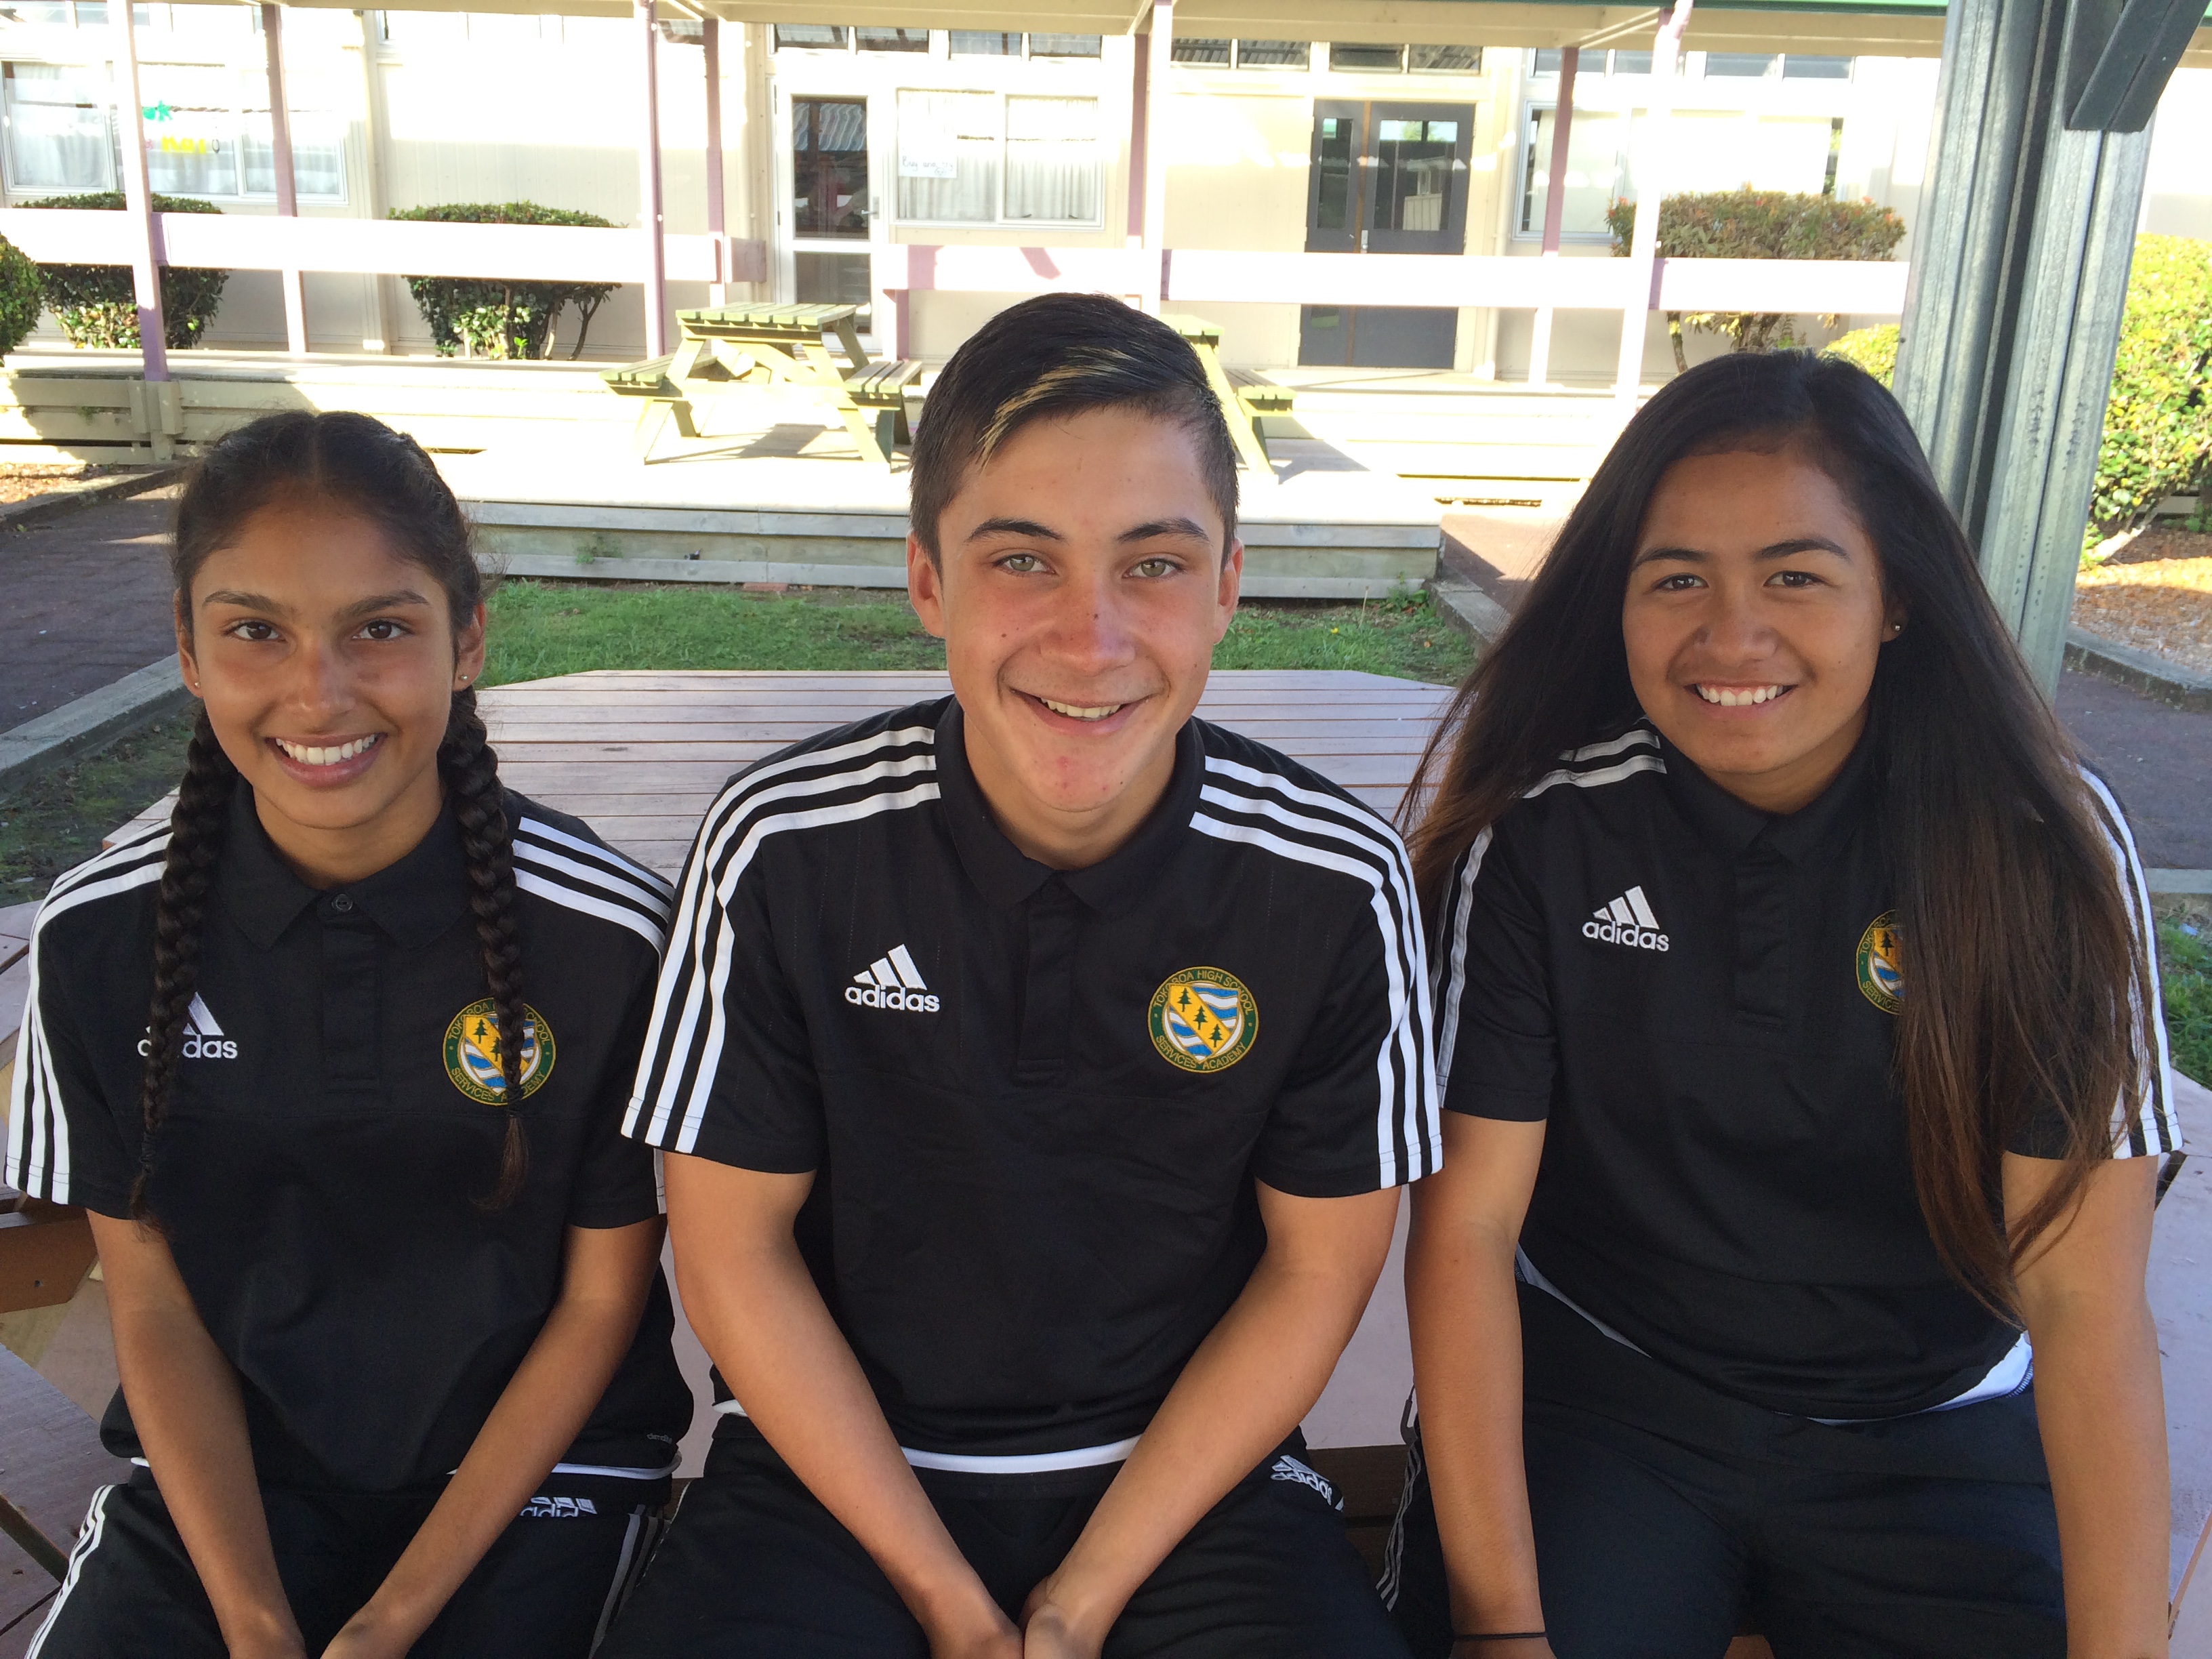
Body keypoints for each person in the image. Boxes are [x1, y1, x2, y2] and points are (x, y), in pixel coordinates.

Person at [605, 291, 1439, 1659]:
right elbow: (732, 1249)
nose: (1091, 636)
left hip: (1192, 1484)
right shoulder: (784, 848)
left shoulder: (1334, 882)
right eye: (1023, 562)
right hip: (835, 1475)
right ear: (928, 579)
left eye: (1154, 565)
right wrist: (947, 1600)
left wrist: (1077, 1603)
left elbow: (1316, 1273)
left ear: (1230, 581)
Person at [1385, 350, 2181, 1659]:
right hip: (1610, 1402)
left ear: (1899, 598)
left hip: (1937, 1429)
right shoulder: (1540, 836)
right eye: (1678, 579)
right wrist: (1506, 1630)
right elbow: (1468, 1229)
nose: (1731, 636)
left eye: (1796, 577)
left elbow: (2088, 1303)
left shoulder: (2038, 841)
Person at [5, 410, 693, 1659]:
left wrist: (390, 1622)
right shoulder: (100, 937)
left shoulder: (610, 939)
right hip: (233, 1487)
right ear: (190, 649)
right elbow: (147, 1302)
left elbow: (601, 1304)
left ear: (467, 637)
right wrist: (258, 1623)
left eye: (380, 628)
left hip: (542, 1477)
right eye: (256, 631)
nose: (318, 691)